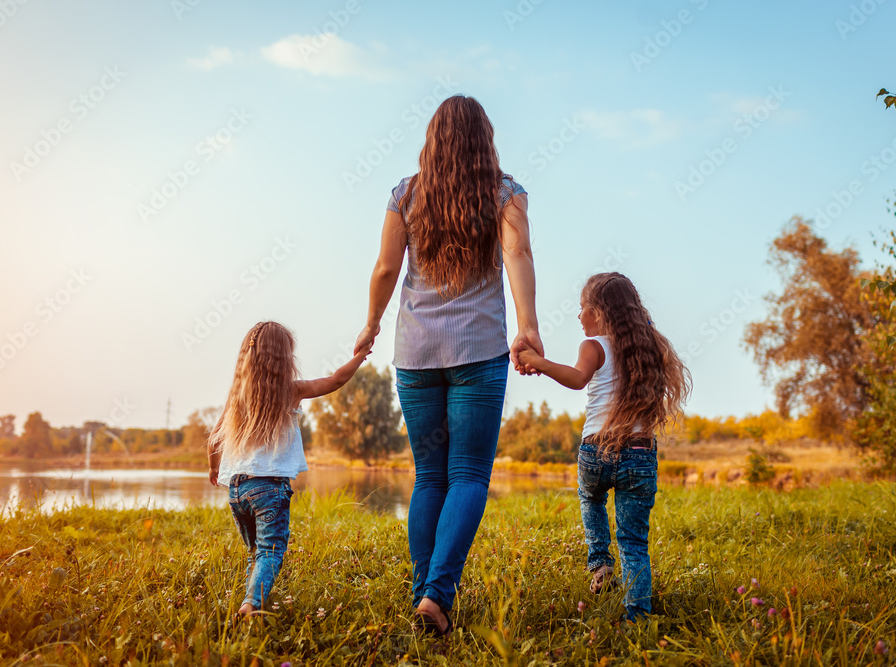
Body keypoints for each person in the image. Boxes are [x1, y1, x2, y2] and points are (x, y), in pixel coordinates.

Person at [353, 94, 541, 636]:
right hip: (478, 352)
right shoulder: (505, 191)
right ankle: (437, 593)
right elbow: (518, 255)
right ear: (486, 138)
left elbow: (387, 268)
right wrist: (528, 326)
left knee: (429, 475)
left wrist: (370, 323)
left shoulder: (404, 194)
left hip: (415, 355)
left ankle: (424, 594)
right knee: (468, 475)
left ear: (432, 138)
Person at [516, 272, 691, 621]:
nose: (578, 316)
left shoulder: (593, 346)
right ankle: (637, 616)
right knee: (634, 542)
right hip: (641, 455)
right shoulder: (651, 349)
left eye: (582, 308)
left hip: (597, 451)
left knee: (590, 497)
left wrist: (537, 363)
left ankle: (600, 563)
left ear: (598, 312)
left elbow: (578, 379)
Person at [208, 320, 371, 618]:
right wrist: (360, 356)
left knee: (257, 551)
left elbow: (214, 438)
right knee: (270, 551)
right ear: (284, 358)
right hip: (269, 488)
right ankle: (251, 606)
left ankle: (250, 598)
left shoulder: (237, 397)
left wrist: (213, 469)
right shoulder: (290, 390)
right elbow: (335, 380)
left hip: (237, 489)